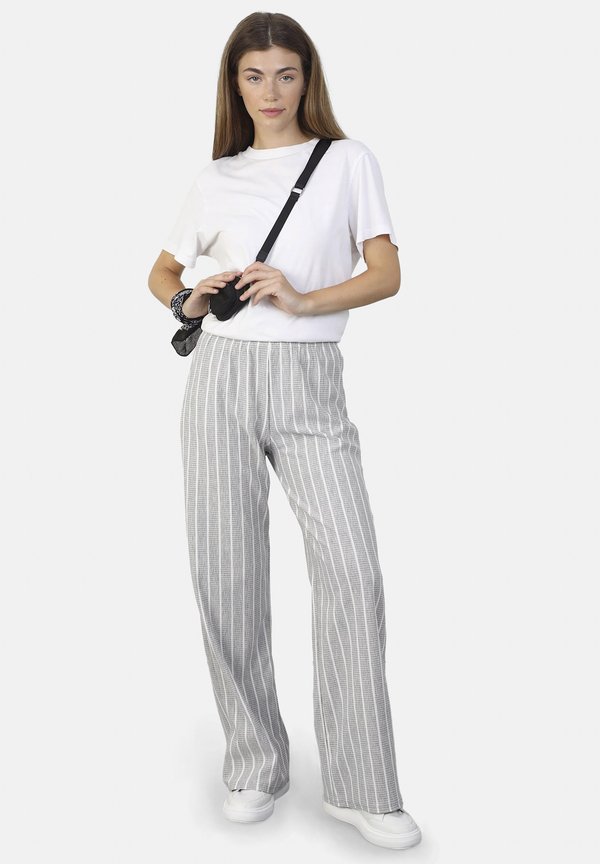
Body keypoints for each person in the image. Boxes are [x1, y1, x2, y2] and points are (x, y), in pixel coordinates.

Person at [148, 11, 422, 851]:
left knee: (352, 572)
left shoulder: (347, 161)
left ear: (309, 78)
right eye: (253, 76)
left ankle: (362, 784)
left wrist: (302, 300)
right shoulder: (217, 175)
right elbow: (162, 270)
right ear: (234, 85)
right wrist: (187, 298)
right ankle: (254, 763)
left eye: (286, 74)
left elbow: (386, 272)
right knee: (226, 573)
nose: (270, 92)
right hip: (220, 378)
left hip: (308, 380)